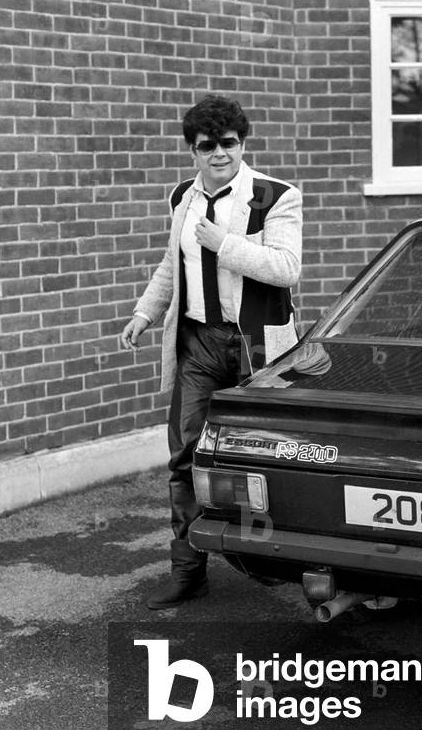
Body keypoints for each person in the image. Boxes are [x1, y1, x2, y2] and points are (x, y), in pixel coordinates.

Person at [120, 94, 302, 609]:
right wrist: (144, 313)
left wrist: (224, 242)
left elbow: (287, 268)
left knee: (264, 457)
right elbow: (168, 266)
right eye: (208, 146)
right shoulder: (182, 197)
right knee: (184, 456)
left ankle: (274, 562)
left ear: (242, 144)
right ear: (193, 151)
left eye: (229, 143)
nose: (220, 153)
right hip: (198, 343)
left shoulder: (274, 196)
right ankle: (188, 569)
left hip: (257, 348)